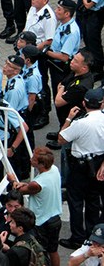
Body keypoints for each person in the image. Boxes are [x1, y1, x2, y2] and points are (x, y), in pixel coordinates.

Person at [57, 89, 104, 251]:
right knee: (93, 200)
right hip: (98, 163)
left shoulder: (80, 123)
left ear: (84, 104)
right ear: (101, 104)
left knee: (75, 201)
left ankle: (77, 237)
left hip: (80, 165)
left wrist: (69, 117)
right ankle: (93, 236)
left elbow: (61, 138)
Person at [8, 146, 62, 266]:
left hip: (41, 222)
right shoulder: (54, 169)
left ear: (41, 164)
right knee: (53, 250)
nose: (31, 159)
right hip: (55, 218)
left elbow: (19, 191)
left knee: (39, 252)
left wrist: (13, 181)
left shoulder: (37, 184)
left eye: (34, 159)